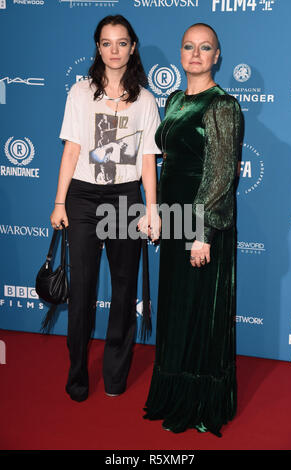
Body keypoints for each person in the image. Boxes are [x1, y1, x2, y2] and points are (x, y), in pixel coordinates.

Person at [49, 15, 161, 402]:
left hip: (125, 198)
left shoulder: (146, 100)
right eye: (107, 43)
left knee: (124, 287)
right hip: (82, 197)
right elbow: (72, 150)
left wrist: (152, 209)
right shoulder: (80, 93)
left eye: (122, 42)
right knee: (81, 291)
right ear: (98, 48)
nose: (114, 50)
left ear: (133, 46)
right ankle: (77, 375)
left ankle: (115, 376)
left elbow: (148, 158)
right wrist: (59, 201)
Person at [143, 23, 242, 437]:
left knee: (202, 310)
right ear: (181, 54)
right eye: (189, 47)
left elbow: (220, 174)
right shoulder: (174, 99)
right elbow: (167, 159)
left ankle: (199, 400)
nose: (196, 54)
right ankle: (173, 391)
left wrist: (202, 232)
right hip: (174, 215)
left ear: (217, 55)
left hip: (204, 224)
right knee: (178, 308)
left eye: (205, 48)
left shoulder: (223, 105)